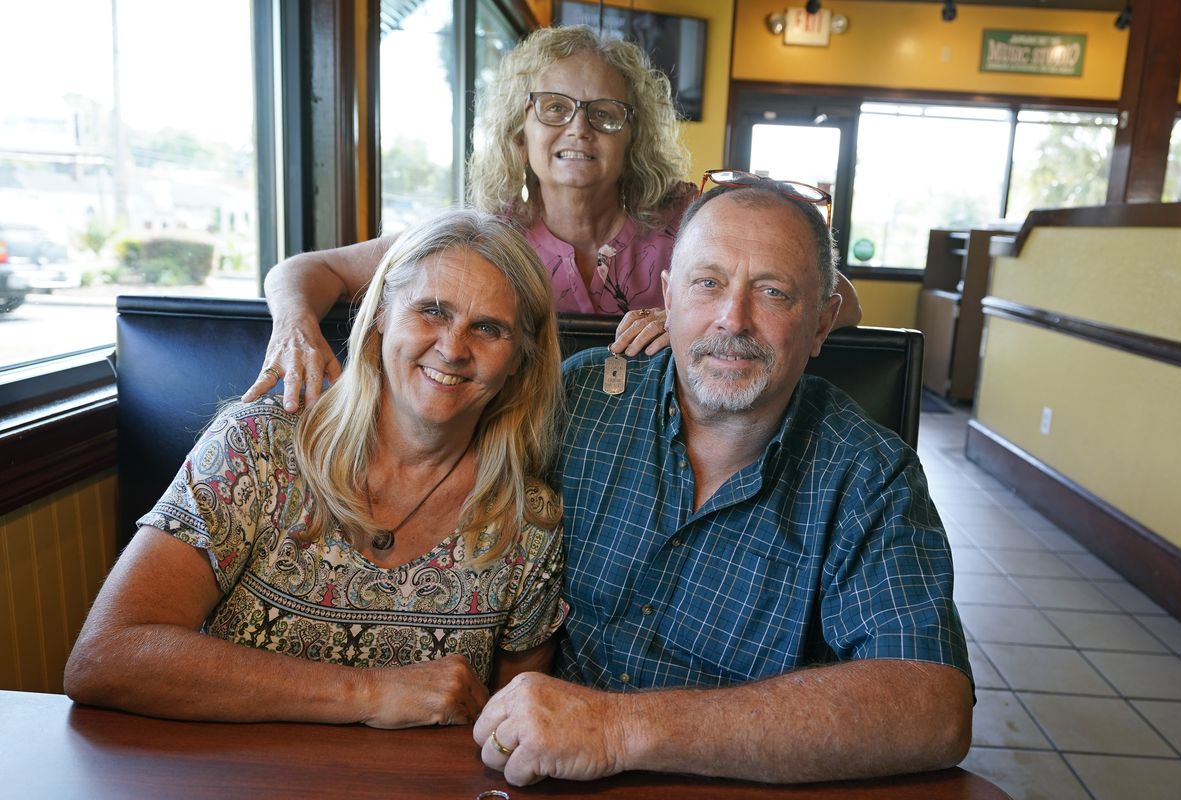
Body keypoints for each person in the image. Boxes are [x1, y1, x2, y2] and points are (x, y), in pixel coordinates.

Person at [471, 172, 973, 786]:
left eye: (773, 292)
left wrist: (618, 729)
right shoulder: (583, 397)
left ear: (822, 323)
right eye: (707, 283)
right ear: (668, 296)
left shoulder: (868, 474)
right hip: (544, 773)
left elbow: (933, 708)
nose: (732, 320)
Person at [64, 209, 569, 728]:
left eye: (488, 328)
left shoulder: (528, 522)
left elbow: (511, 736)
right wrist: (371, 693)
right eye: (433, 311)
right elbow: (105, 656)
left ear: (520, 359)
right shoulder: (257, 449)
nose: (453, 349)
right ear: (381, 315)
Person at [249, 24, 862, 413]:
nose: (579, 128)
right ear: (519, 130)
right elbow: (307, 270)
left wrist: (692, 318)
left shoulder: (693, 218)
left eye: (604, 113)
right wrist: (295, 325)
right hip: (517, 452)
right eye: (553, 107)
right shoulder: (483, 235)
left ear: (634, 135)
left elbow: (842, 301)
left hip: (663, 459)